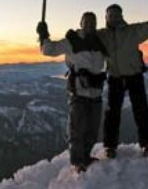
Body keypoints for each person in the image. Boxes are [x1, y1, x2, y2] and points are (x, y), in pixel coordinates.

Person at [96, 3, 148, 158]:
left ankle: (147, 145)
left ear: (121, 16)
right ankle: (110, 147)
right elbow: (85, 36)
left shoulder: (132, 31)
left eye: (117, 15)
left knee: (141, 111)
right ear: (106, 18)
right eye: (111, 15)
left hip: (134, 76)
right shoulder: (101, 35)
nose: (114, 18)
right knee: (112, 113)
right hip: (115, 77)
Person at [36, 12, 107, 173]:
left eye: (93, 22)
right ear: (81, 23)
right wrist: (43, 35)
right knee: (77, 129)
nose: (90, 24)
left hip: (96, 92)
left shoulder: (100, 41)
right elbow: (49, 50)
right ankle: (78, 162)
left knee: (92, 129)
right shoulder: (72, 40)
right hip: (79, 92)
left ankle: (86, 157)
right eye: (87, 22)